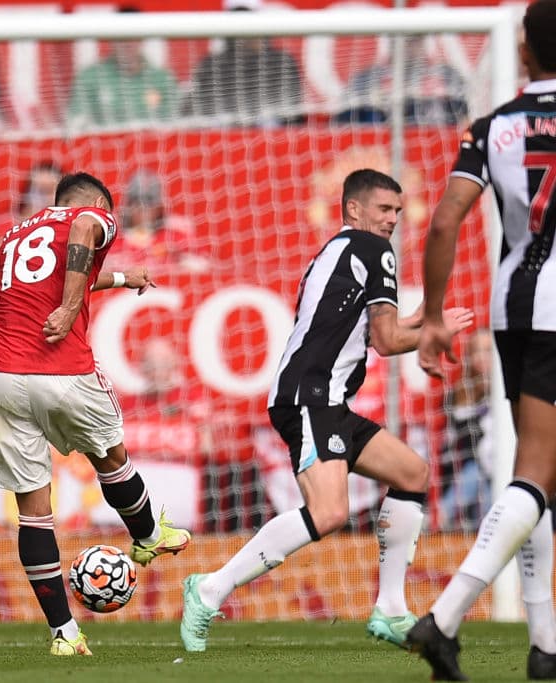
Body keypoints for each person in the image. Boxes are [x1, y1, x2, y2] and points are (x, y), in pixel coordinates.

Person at [179, 169, 473, 653]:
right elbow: (386, 340)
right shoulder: (372, 249)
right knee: (330, 511)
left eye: (399, 211)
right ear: (354, 209)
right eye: (384, 209)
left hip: (325, 398)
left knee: (411, 473)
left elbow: (362, 328)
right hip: (310, 396)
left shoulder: (336, 250)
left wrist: (417, 322)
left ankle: (392, 608)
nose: (393, 219)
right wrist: (434, 333)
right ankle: (211, 589)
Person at [0, 172, 192, 656]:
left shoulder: (17, 233)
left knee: (34, 511)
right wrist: (72, 307)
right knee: (111, 454)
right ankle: (150, 535)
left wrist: (117, 278)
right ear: (95, 202)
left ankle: (65, 635)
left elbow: (50, 277)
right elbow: (83, 236)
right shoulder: (92, 214)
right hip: (58, 369)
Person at [409, 2, 556, 679]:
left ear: (524, 51)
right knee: (536, 472)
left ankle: (545, 641)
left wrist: (434, 315)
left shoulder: (492, 127)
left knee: (540, 467)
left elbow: (445, 223)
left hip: (513, 304)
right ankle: (442, 619)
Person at [181, 0, 304, 127]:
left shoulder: (281, 62)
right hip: (224, 136)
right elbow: (191, 112)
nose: (242, 30)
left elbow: (293, 114)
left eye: (248, 19)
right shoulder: (211, 65)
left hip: (272, 137)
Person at [65, 8, 178, 129]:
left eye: (133, 35)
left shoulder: (162, 79)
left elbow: (175, 124)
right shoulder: (89, 77)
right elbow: (75, 123)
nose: (127, 43)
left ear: (143, 37)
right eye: (122, 36)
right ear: (111, 38)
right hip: (103, 146)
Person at [335, 36, 467, 126]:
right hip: (377, 150)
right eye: (404, 39)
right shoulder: (366, 79)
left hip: (433, 150)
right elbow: (343, 122)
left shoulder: (447, 76)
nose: (409, 45)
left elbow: (464, 120)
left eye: (415, 39)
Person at [437, 328, 493, 531]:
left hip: (501, 466)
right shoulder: (459, 394)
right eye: (477, 351)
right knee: (473, 476)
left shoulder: (509, 391)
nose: (483, 358)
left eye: (488, 351)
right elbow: (457, 440)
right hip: (472, 466)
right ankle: (439, 522)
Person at [104, 169, 208, 273]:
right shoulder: (110, 236)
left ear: (159, 206)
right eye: (136, 202)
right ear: (127, 205)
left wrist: (182, 260)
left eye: (149, 202)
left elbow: (203, 266)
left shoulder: (177, 234)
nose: (142, 208)